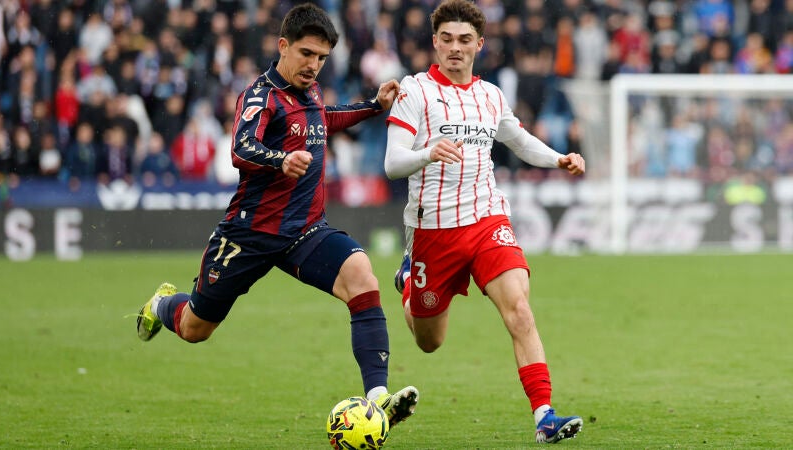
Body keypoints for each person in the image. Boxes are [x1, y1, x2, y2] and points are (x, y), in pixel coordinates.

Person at [135, 3, 418, 428]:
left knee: (362, 277)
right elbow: (240, 147)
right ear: (283, 45)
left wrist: (374, 106)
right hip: (249, 234)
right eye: (306, 54)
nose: (313, 65)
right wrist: (280, 159)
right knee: (196, 328)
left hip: (305, 231)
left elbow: (323, 121)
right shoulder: (260, 95)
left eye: (321, 58)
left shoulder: (312, 92)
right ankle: (161, 305)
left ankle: (378, 399)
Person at [384, 0, 585, 444]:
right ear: (435, 43)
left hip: (486, 217)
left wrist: (559, 159)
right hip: (433, 230)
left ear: (479, 44)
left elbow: (519, 141)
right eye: (447, 39)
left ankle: (545, 416)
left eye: (464, 40)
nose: (455, 48)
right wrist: (427, 153)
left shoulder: (491, 95)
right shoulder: (415, 91)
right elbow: (393, 163)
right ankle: (408, 282)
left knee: (519, 308)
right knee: (429, 341)